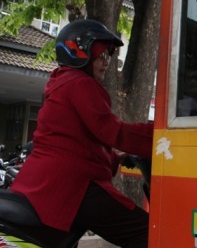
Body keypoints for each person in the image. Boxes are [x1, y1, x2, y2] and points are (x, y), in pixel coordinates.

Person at [10, 19, 153, 247]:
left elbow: (81, 144)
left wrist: (118, 158)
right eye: (102, 56)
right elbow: (111, 131)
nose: (106, 63)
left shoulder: (62, 81)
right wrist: (161, 135)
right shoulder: (80, 84)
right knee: (149, 233)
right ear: (81, 53)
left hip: (52, 184)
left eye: (109, 56)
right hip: (72, 186)